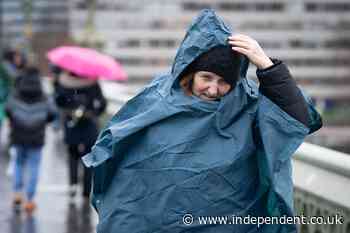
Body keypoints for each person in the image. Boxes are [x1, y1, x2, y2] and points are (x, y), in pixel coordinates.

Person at [83, 9, 322, 233]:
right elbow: (115, 145)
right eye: (206, 77)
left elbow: (297, 119)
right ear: (190, 73)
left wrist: (268, 68)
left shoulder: (247, 107)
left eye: (223, 81)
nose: (213, 88)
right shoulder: (157, 97)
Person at [6, 67, 57, 214]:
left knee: (18, 163)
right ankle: (29, 200)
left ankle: (16, 194)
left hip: (18, 135)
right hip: (36, 136)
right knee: (34, 166)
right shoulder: (44, 96)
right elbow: (52, 114)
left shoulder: (16, 94)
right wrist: (42, 120)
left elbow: (8, 110)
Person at [53, 68, 107, 202]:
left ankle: (72, 185)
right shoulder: (92, 82)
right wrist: (94, 113)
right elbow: (102, 103)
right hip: (89, 123)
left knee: (72, 154)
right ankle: (86, 190)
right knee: (88, 156)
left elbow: (59, 101)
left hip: (72, 122)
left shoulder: (65, 82)